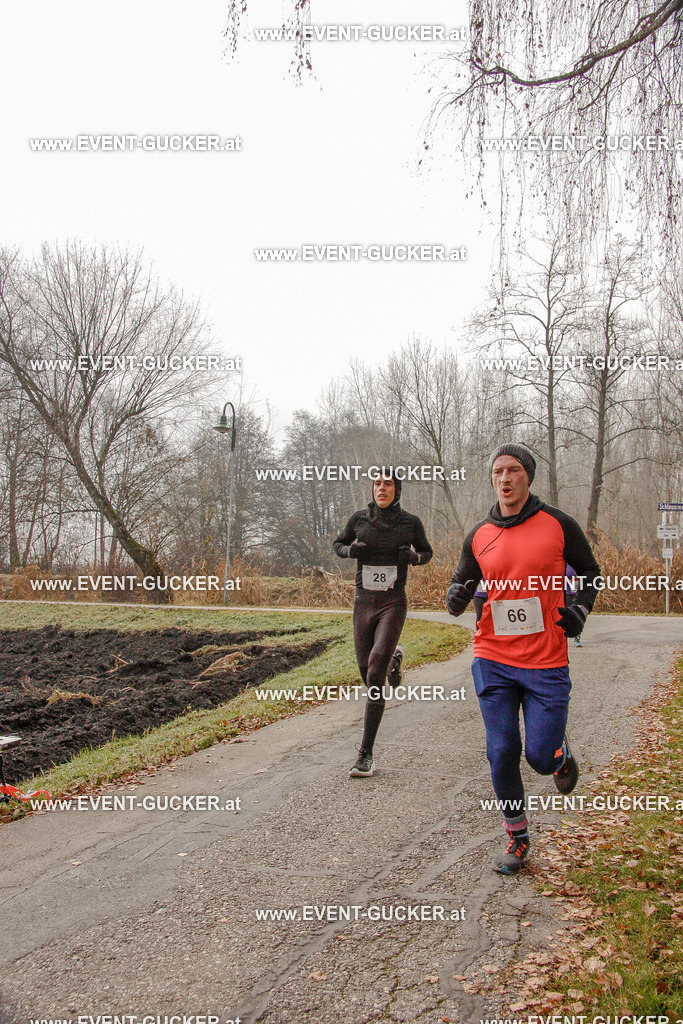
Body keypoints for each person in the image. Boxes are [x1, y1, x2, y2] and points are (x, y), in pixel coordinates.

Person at [446, 443, 600, 874]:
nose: (505, 478)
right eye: (498, 471)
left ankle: (558, 755)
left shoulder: (557, 524)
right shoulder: (479, 533)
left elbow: (591, 573)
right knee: (501, 750)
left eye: (514, 470)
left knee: (537, 756)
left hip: (546, 660)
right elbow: (460, 583)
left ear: (527, 477)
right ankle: (517, 838)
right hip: (493, 655)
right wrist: (454, 596)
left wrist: (580, 611)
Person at [334, 472, 433, 777]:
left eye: (388, 484)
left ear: (397, 490)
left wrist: (413, 558)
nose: (382, 488)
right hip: (363, 602)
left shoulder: (410, 523)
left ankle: (365, 754)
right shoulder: (360, 519)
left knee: (375, 671)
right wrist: (351, 551)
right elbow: (338, 544)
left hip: (393, 602)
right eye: (377, 483)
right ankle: (394, 660)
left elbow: (427, 553)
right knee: (367, 672)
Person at [565, 565, 584, 647]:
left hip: (577, 594)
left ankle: (577, 639)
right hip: (566, 594)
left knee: (576, 616)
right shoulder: (564, 564)